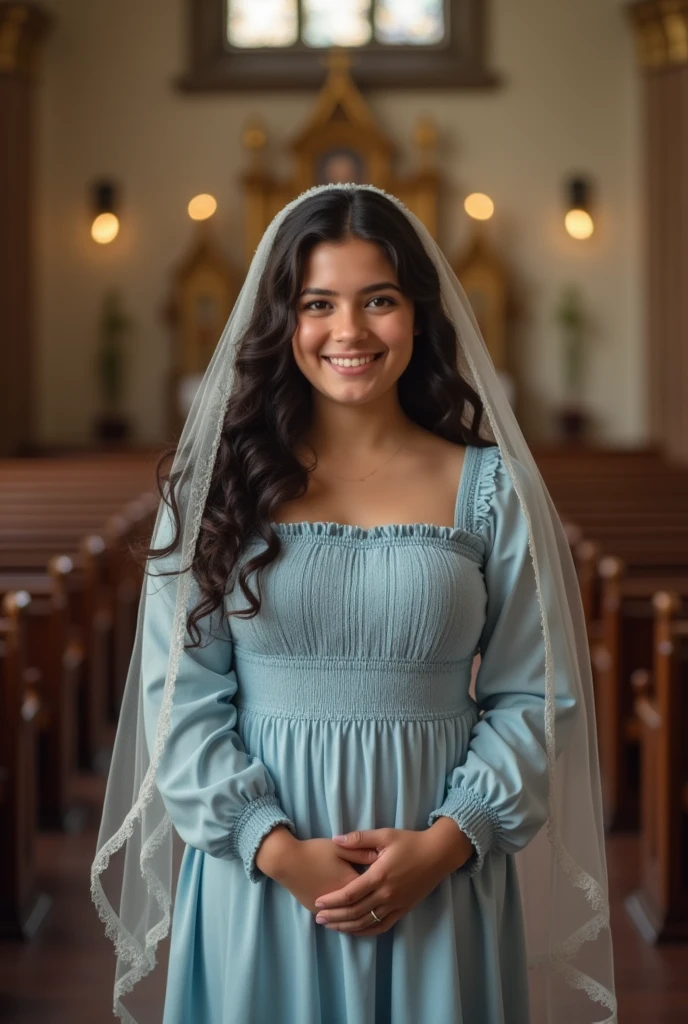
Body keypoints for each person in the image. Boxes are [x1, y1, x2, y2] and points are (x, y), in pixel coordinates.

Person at [91, 184, 617, 1024]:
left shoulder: (493, 489)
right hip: (260, 874)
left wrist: (443, 846)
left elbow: (535, 695)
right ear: (281, 321)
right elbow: (175, 697)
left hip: (442, 872)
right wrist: (280, 852)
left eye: (379, 300)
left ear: (418, 314)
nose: (350, 332)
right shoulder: (217, 490)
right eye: (317, 304)